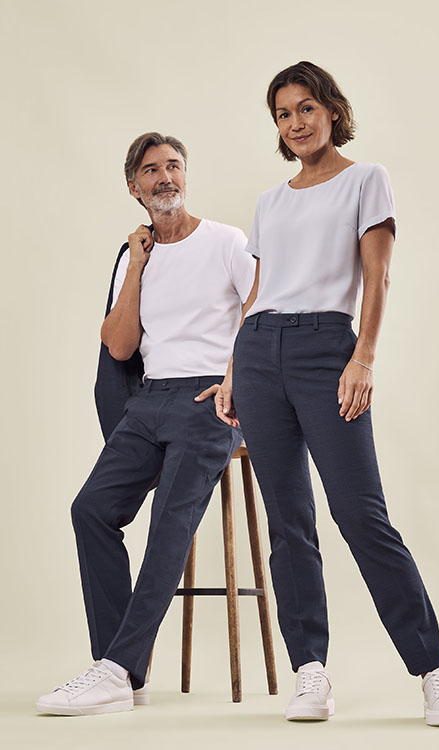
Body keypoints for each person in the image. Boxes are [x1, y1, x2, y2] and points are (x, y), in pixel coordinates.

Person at [214, 61, 439, 727]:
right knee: (288, 522)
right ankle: (311, 671)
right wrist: (234, 369)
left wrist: (364, 357)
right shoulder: (271, 201)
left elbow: (376, 276)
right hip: (259, 353)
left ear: (331, 109)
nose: (295, 122)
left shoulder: (366, 179)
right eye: (283, 113)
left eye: (306, 107)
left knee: (361, 515)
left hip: (328, 348)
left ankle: (434, 671)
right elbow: (257, 292)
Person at [36, 132, 255, 716]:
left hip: (212, 398)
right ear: (135, 187)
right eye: (152, 170)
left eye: (174, 166)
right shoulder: (135, 255)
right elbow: (119, 344)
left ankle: (114, 669)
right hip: (150, 400)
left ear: (187, 175)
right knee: (91, 510)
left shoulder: (226, 241)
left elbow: (261, 308)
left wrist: (235, 379)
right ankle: (122, 672)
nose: (166, 177)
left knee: (168, 522)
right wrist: (136, 264)